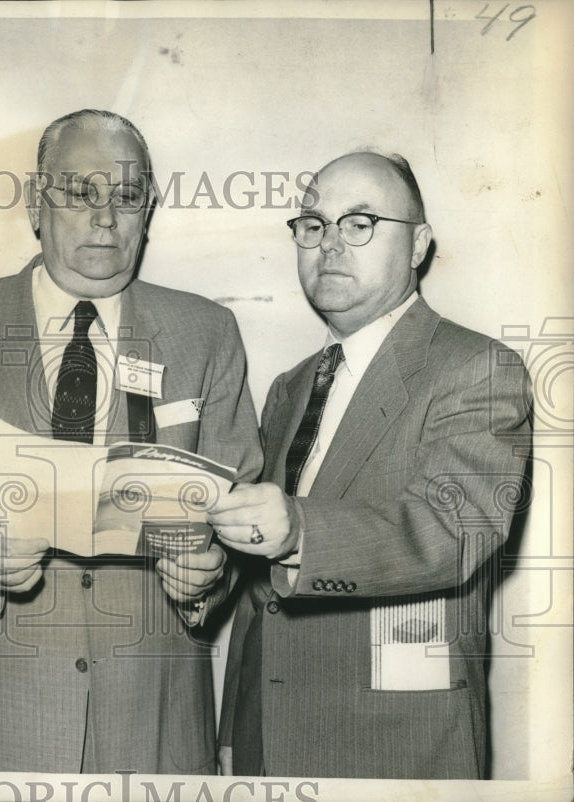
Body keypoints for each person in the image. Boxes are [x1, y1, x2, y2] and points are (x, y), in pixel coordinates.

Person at [0, 109, 262, 773]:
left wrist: (211, 575)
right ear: (37, 205)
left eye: (125, 196)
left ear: (148, 210)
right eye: (80, 193)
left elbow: (242, 517)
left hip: (152, 717)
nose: (105, 218)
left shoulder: (207, 332)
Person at [211, 151, 532, 779]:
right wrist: (234, 730)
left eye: (359, 223)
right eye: (313, 224)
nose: (329, 243)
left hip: (396, 747)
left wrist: (302, 530)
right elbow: (258, 593)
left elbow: (456, 530)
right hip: (264, 741)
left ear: (418, 246)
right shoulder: (289, 387)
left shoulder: (476, 367)